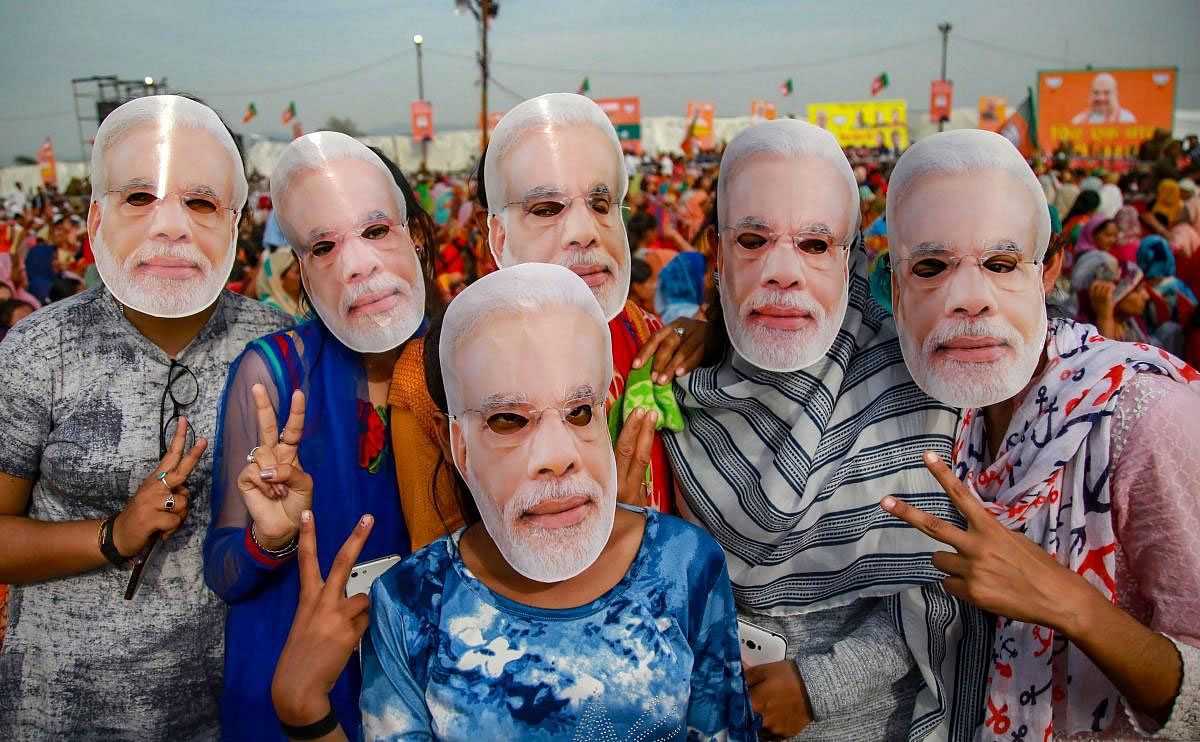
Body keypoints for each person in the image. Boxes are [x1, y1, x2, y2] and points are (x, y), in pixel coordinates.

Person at [270, 263, 757, 740]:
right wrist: (305, 712)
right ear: (458, 445)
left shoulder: (684, 564)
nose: (557, 458)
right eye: (509, 420)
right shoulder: (413, 604)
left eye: (579, 412)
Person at [663, 119, 989, 739]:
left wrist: (817, 686)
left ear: (851, 256)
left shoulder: (916, 389)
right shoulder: (676, 383)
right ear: (717, 248)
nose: (782, 272)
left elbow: (938, 588)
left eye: (815, 245)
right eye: (754, 239)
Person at [882, 127, 1200, 740]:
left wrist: (1069, 604)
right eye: (931, 267)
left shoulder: (1146, 419)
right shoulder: (939, 411)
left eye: (1001, 265)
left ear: (1048, 269)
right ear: (896, 286)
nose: (969, 300)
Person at [0, 95, 292, 738]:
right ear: (97, 215)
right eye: (140, 199)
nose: (170, 227)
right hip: (62, 710)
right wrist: (111, 535)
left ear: (236, 220)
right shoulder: (37, 349)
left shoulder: (275, 345)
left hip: (233, 708)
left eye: (199, 202)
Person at [203, 132, 449, 741]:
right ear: (304, 272)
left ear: (414, 234)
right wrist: (270, 538)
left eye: (375, 231)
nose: (358, 265)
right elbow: (224, 570)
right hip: (297, 675)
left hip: (431, 684)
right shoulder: (273, 377)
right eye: (324, 245)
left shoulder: (470, 357)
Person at [476, 93, 689, 513]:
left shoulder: (649, 336)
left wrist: (707, 334)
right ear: (500, 237)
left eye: (600, 204)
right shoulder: (468, 364)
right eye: (547, 208)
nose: (584, 231)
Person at [255, 247, 305, 320]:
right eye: (297, 272)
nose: (303, 276)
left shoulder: (307, 302)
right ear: (278, 279)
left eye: (303, 270)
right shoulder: (269, 311)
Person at [1071, 72, 1137, 125]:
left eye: (1106, 93)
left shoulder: (1127, 120)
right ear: (1090, 94)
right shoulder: (1077, 122)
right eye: (1096, 93)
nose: (1101, 98)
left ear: (1116, 94)